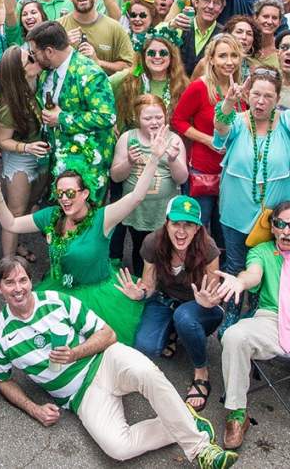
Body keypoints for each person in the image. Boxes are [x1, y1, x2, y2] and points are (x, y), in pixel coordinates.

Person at [0, 256, 237, 469]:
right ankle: (187, 420)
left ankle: (202, 449)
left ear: (30, 281)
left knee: (146, 372)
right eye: (9, 283)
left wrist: (76, 353)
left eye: (22, 280)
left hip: (105, 360)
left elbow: (108, 334)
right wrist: (35, 409)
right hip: (80, 396)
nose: (18, 288)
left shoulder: (57, 301)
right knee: (118, 448)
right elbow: (1, 379)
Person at [0, 130, 175, 346]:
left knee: (95, 347)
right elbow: (11, 224)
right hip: (60, 289)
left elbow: (136, 197)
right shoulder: (51, 216)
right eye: (60, 193)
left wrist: (154, 158)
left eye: (70, 193)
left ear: (84, 193)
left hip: (97, 295)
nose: (64, 199)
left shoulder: (102, 219)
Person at [117, 195, 223, 412]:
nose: (181, 231)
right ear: (166, 223)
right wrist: (141, 294)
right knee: (146, 345)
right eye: (176, 223)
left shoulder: (208, 248)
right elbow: (149, 283)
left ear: (197, 228)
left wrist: (207, 301)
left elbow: (214, 294)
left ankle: (201, 373)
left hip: (199, 309)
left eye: (188, 225)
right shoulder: (153, 243)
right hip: (165, 300)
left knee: (185, 317)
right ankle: (174, 331)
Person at [213, 67, 290, 330]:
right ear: (248, 93)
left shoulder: (286, 123)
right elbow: (219, 130)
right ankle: (232, 313)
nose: (261, 101)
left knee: (266, 264)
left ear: (277, 98)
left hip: (273, 217)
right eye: (256, 94)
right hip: (236, 211)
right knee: (235, 263)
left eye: (268, 96)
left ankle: (258, 314)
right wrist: (229, 101)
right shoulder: (237, 120)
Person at [216, 200, 290, 450]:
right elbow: (253, 273)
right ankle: (237, 413)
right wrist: (240, 283)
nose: (286, 231)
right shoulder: (262, 252)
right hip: (271, 319)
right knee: (234, 336)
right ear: (272, 227)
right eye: (280, 224)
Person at [26, 21, 116, 201]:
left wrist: (62, 119)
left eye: (34, 53)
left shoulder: (90, 73)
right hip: (57, 161)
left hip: (86, 165)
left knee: (84, 223)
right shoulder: (47, 71)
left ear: (49, 51)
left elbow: (107, 117)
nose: (33, 57)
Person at [172, 34, 245, 236]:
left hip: (233, 172)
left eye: (234, 55)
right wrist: (207, 140)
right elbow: (178, 120)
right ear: (211, 59)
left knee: (225, 229)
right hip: (203, 170)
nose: (229, 62)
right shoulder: (199, 87)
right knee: (197, 227)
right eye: (222, 56)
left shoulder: (243, 89)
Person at [110, 95, 188, 274]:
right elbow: (115, 176)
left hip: (162, 209)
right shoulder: (127, 138)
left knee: (164, 250)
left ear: (165, 116)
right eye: (147, 118)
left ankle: (162, 286)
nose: (154, 122)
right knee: (140, 248)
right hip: (137, 209)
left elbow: (182, 179)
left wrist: (173, 159)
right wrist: (129, 161)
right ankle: (140, 282)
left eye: (159, 117)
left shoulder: (174, 139)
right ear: (137, 118)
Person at [0, 45, 49, 261]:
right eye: (29, 57)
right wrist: (27, 148)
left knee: (30, 205)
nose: (35, 57)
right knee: (15, 213)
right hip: (20, 159)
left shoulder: (38, 80)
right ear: (19, 71)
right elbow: (2, 140)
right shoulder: (10, 103)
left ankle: (20, 245)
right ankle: (8, 264)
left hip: (40, 155)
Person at [58, 0, 134, 74]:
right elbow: (45, 63)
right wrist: (63, 46)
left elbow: (129, 66)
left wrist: (98, 62)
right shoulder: (58, 28)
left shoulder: (114, 27)